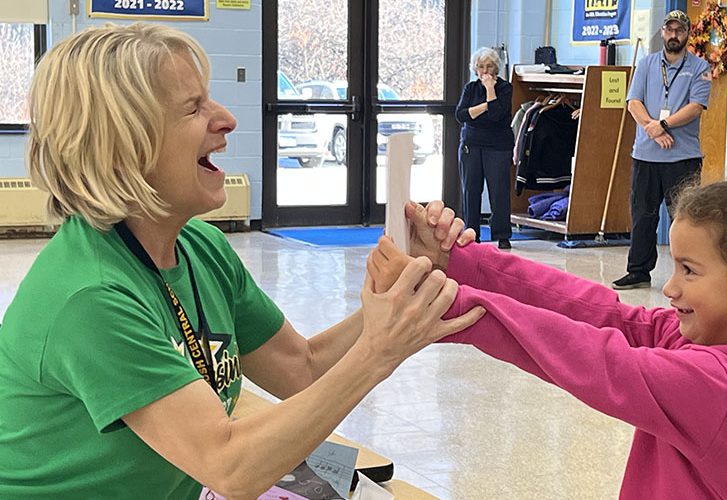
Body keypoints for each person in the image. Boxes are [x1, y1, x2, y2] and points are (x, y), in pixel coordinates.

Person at [0, 23, 485, 498]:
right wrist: (377, 352)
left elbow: (303, 369)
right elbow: (231, 467)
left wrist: (405, 288)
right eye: (193, 108)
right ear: (120, 149)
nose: (226, 118)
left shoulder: (200, 247)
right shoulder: (91, 298)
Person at [368, 176, 727, 498]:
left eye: (690, 270)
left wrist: (442, 301)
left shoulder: (720, 388)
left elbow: (593, 356)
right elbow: (600, 313)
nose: (669, 288)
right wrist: (458, 262)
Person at [612, 10, 710, 290]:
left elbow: (695, 107)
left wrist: (663, 124)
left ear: (687, 33)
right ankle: (638, 270)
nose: (673, 35)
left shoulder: (700, 67)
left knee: (684, 217)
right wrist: (653, 130)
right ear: (663, 33)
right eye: (669, 30)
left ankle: (689, 272)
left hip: (683, 157)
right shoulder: (646, 63)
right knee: (643, 214)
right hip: (646, 154)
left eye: (679, 30)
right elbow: (633, 102)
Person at [455, 47, 514, 249]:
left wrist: (490, 90)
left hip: (498, 145)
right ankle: (472, 233)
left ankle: (502, 234)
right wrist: (485, 106)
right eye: (481, 67)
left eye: (489, 66)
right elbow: (461, 115)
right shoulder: (470, 89)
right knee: (471, 189)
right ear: (475, 69)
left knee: (498, 191)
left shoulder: (505, 88)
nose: (485, 70)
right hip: (471, 144)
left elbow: (498, 115)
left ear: (496, 68)